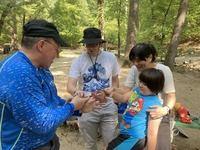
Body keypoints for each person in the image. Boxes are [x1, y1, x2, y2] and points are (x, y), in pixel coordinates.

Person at [0, 19, 96, 150]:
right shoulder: (19, 73)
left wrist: (78, 107)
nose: (57, 55)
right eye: (57, 50)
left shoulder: (40, 68)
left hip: (46, 141)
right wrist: (73, 107)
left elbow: (52, 102)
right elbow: (42, 123)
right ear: (41, 45)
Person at [67, 27, 121, 150]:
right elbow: (70, 86)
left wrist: (111, 92)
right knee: (90, 144)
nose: (91, 48)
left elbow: (116, 82)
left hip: (108, 106)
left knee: (111, 144)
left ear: (99, 44)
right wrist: (77, 92)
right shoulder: (78, 61)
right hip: (87, 107)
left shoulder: (110, 57)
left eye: (94, 45)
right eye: (88, 45)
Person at [115, 43, 176, 150]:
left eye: (138, 60)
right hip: (138, 115)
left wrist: (165, 109)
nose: (135, 63)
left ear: (150, 57)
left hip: (156, 114)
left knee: (158, 145)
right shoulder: (135, 69)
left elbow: (171, 96)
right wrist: (112, 90)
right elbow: (126, 90)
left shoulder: (163, 70)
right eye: (133, 60)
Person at [104, 68, 164, 150]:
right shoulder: (137, 91)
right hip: (125, 133)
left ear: (154, 87)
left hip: (134, 138)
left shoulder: (155, 104)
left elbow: (152, 133)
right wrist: (112, 93)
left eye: (145, 84)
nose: (140, 85)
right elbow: (123, 98)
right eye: (140, 81)